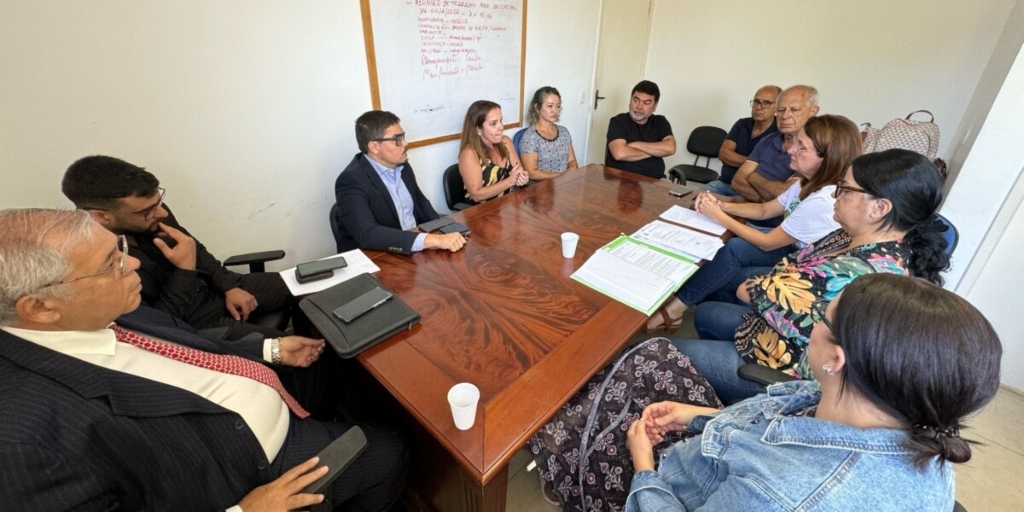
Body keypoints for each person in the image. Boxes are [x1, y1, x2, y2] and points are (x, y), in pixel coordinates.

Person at [0, 208, 408, 510]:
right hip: (253, 471)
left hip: (264, 387)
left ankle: (325, 421)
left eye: (119, 250)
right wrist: (245, 511)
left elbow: (188, 342)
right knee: (391, 446)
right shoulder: (24, 441)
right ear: (40, 307)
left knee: (335, 358)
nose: (135, 263)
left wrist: (271, 349)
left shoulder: (109, 305)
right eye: (112, 263)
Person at [623, 274, 1001, 511]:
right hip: (713, 452)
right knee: (652, 354)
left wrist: (643, 468)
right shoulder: (876, 406)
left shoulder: (778, 497)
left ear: (836, 358)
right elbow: (771, 413)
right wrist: (695, 416)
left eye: (822, 318)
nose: (812, 324)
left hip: (669, 487)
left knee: (587, 416)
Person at [674, 149, 952, 403]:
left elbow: (750, 290)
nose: (835, 195)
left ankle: (726, 401)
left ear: (879, 208)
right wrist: (784, 278)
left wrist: (783, 277)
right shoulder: (851, 236)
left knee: (660, 350)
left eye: (845, 189)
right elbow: (789, 264)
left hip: (792, 373)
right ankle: (705, 391)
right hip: (775, 336)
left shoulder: (862, 271)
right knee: (706, 313)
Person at [644, 115, 860, 333]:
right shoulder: (807, 181)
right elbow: (765, 209)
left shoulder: (823, 200)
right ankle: (681, 306)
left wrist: (719, 215)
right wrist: (721, 206)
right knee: (732, 246)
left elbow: (767, 243)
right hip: (794, 246)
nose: (790, 150)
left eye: (801, 147)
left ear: (827, 157)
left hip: (802, 263)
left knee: (731, 261)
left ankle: (696, 311)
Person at [62, 156, 296, 340]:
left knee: (310, 285)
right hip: (196, 324)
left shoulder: (152, 211)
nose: (162, 213)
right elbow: (159, 325)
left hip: (213, 288)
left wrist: (229, 286)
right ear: (101, 216)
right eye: (147, 211)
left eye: (159, 202)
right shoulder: (93, 262)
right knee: (295, 349)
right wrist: (185, 270)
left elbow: (194, 248)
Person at [334, 110, 466, 254]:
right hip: (380, 255)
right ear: (374, 147)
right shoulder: (351, 180)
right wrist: (431, 240)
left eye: (403, 137)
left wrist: (445, 230)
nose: (405, 143)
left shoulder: (401, 164)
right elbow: (367, 234)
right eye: (398, 139)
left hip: (416, 248)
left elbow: (420, 202)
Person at [729, 85, 820, 229]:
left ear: (813, 112)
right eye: (781, 110)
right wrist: (766, 200)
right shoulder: (768, 139)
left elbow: (784, 195)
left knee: (727, 247)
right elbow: (737, 181)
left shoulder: (815, 151)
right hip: (748, 212)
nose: (785, 116)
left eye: (794, 110)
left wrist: (752, 177)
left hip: (777, 227)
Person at [701, 85, 781, 196]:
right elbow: (723, 154)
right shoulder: (742, 124)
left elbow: (769, 168)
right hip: (723, 183)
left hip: (750, 191)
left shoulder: (779, 132)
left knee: (719, 210)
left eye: (767, 103)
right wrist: (752, 163)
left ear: (777, 107)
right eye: (756, 102)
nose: (759, 107)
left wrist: (736, 159)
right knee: (693, 199)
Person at [458, 100, 529, 204]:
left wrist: (522, 177)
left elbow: (519, 172)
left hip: (506, 206)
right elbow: (476, 195)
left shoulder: (506, 142)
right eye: (493, 123)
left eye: (501, 121)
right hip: (480, 212)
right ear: (478, 129)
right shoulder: (469, 153)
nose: (501, 127)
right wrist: (510, 181)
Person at [605, 80, 677, 179]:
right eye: (636, 100)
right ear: (630, 101)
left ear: (654, 106)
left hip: (655, 182)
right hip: (622, 181)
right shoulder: (618, 121)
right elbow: (619, 153)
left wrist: (634, 145)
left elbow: (670, 148)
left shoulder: (660, 122)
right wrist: (656, 151)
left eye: (646, 103)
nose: (639, 106)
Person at [518, 86, 579, 180]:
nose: (555, 110)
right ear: (537, 108)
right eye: (550, 106)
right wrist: (562, 175)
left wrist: (572, 170)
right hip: (542, 188)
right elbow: (532, 173)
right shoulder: (530, 137)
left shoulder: (564, 132)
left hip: (565, 184)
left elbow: (572, 160)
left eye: (557, 106)